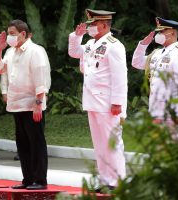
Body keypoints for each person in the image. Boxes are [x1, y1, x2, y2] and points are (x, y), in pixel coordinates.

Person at [68, 9, 127, 191]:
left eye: (93, 24)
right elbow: (74, 52)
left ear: (103, 25)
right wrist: (76, 36)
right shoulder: (91, 43)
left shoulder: (114, 45)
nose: (90, 27)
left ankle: (117, 182)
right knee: (100, 144)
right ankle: (105, 180)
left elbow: (120, 76)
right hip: (93, 101)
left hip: (108, 103)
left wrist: (118, 102)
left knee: (112, 143)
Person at [0, 19, 49, 190]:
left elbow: (41, 79)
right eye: (8, 33)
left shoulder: (36, 51)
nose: (9, 37)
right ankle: (28, 179)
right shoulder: (10, 52)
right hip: (16, 104)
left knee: (36, 143)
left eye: (12, 34)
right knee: (22, 144)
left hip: (32, 104)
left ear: (23, 34)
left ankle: (40, 180)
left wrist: (39, 103)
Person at [131, 17, 178, 140]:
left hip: (171, 113)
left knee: (171, 149)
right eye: (158, 32)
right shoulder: (157, 53)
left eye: (162, 32)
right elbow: (136, 63)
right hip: (155, 109)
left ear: (173, 33)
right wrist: (143, 45)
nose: (158, 35)